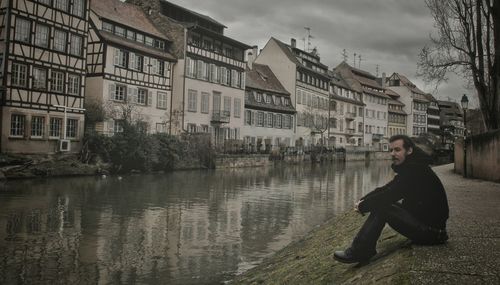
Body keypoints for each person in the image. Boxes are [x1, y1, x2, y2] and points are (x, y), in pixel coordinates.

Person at [333, 135, 449, 264]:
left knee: (384, 206)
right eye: (391, 150)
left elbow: (390, 194)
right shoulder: (414, 167)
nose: (393, 154)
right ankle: (363, 250)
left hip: (433, 233)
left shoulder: (416, 171)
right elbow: (387, 188)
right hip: (426, 225)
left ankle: (359, 251)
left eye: (397, 150)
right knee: (384, 203)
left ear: (409, 150)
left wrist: (363, 206)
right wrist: (363, 200)